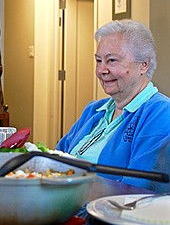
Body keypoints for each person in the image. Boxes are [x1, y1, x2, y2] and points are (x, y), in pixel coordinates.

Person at [56, 19, 170, 193]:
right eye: (98, 60)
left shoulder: (160, 112)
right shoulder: (94, 110)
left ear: (143, 65)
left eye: (112, 61)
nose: (102, 70)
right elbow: (56, 157)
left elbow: (139, 186)